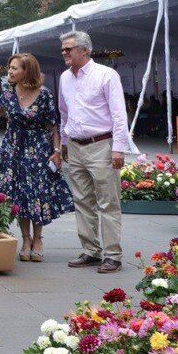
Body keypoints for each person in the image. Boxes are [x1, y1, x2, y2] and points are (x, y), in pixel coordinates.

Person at [58, 30, 132, 274]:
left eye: (68, 49)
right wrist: (65, 143)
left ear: (84, 50)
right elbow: (65, 113)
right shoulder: (64, 78)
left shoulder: (106, 75)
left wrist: (119, 148)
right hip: (76, 146)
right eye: (63, 49)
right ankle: (90, 250)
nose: (64, 53)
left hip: (102, 144)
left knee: (108, 202)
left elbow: (119, 115)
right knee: (82, 201)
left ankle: (112, 255)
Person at [0, 53, 72, 263]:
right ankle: (25, 239)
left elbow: (53, 125)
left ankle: (38, 239)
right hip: (13, 149)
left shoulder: (44, 94)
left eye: (15, 68)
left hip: (38, 148)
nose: (10, 71)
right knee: (19, 194)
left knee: (36, 193)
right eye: (9, 67)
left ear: (26, 71)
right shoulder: (8, 92)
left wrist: (57, 151)